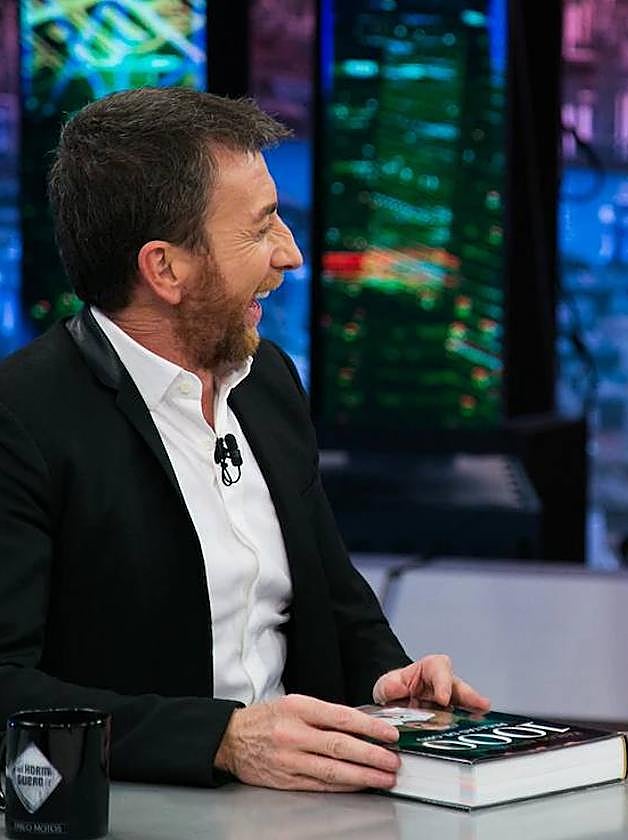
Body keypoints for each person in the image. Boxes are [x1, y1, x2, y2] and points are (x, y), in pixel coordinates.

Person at [0, 87, 489, 791]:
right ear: (165, 268)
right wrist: (222, 741)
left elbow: (335, 598)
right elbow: (7, 686)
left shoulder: (268, 382)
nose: (290, 254)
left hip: (303, 809)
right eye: (260, 230)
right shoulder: (24, 419)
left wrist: (388, 680)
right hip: (140, 809)